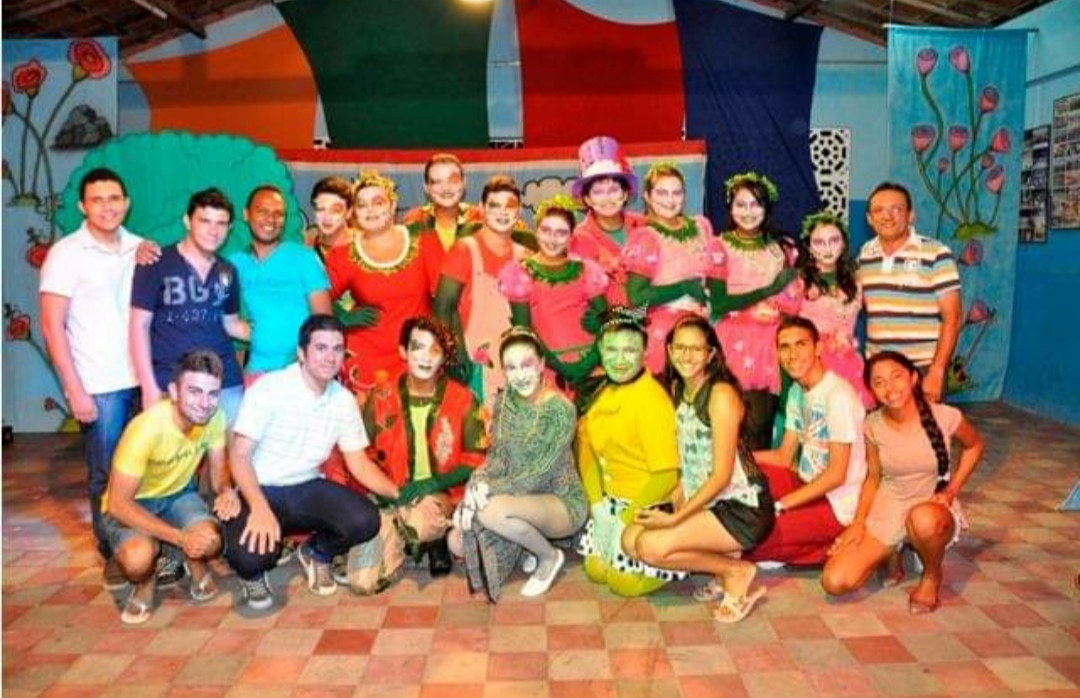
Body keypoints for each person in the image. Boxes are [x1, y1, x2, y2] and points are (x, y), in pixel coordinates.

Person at [221, 314, 400, 610]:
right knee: (250, 557)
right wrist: (259, 507)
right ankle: (253, 574)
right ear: (302, 353)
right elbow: (239, 457)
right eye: (321, 348)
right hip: (260, 488)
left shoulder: (343, 400)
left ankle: (318, 552)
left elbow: (359, 463)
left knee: (365, 520)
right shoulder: (269, 389)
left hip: (308, 487)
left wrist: (398, 493)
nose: (330, 357)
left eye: (337, 349)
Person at [622, 315, 774, 622]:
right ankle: (722, 569)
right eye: (680, 348)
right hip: (708, 502)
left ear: (711, 354)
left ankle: (735, 572)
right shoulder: (678, 387)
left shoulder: (720, 395)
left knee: (650, 546)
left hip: (741, 508)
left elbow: (721, 476)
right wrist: (674, 500)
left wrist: (676, 518)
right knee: (629, 540)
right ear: (669, 350)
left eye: (696, 349)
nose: (686, 356)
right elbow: (691, 460)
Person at [39, 167, 143, 590]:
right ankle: (113, 550)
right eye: (97, 200)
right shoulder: (65, 254)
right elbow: (51, 326)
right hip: (98, 386)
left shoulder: (139, 248)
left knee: (143, 469)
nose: (107, 207)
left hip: (142, 380)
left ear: (126, 203)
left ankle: (144, 543)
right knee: (106, 474)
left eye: (114, 198)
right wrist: (74, 389)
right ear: (83, 206)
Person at [822, 351, 984, 614]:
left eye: (896, 377)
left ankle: (931, 575)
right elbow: (873, 477)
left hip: (932, 505)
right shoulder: (872, 425)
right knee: (835, 581)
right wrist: (858, 523)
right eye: (879, 382)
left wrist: (952, 489)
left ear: (913, 378)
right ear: (872, 391)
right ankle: (891, 551)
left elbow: (975, 446)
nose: (889, 388)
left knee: (923, 520)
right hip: (890, 506)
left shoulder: (945, 415)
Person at [343, 316, 485, 585]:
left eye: (435, 349)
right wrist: (386, 493)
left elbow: (476, 460)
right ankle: (405, 539)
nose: (426, 357)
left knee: (419, 524)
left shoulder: (463, 399)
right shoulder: (381, 397)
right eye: (418, 347)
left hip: (442, 494)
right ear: (403, 351)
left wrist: (431, 484)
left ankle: (428, 535)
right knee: (362, 583)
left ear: (444, 357)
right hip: (392, 495)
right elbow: (364, 455)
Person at [450, 327, 586, 601]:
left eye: (527, 364)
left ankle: (548, 556)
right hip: (516, 498)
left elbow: (539, 473)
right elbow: (497, 456)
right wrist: (475, 484)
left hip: (559, 501)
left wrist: (489, 492)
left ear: (542, 364)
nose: (520, 375)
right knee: (456, 541)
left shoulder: (561, 409)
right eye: (511, 368)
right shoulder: (504, 402)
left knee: (490, 511)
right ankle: (525, 546)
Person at [101, 350, 237, 624]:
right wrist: (180, 537)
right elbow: (118, 504)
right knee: (138, 559)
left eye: (212, 394)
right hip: (133, 504)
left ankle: (193, 560)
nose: (205, 403)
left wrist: (226, 491)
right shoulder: (146, 428)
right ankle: (146, 581)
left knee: (211, 541)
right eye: (194, 392)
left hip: (178, 496)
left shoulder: (215, 417)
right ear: (174, 391)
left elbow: (219, 470)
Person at [576, 306, 685, 596]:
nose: (619, 360)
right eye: (611, 349)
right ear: (600, 349)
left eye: (630, 350)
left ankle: (676, 562)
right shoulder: (601, 391)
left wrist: (625, 520)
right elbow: (587, 453)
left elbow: (666, 475)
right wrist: (599, 509)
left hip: (647, 506)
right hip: (611, 504)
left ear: (645, 352)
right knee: (596, 570)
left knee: (622, 583)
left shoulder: (651, 401)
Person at [744, 317, 867, 566]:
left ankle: (829, 545)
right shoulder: (796, 391)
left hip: (836, 503)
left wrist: (782, 504)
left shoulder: (838, 396)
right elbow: (783, 457)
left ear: (818, 348)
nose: (792, 354)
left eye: (801, 344)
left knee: (747, 541)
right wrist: (734, 455)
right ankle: (803, 541)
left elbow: (836, 475)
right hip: (805, 483)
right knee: (741, 477)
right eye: (784, 347)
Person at [129, 187, 248, 426]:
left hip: (224, 380)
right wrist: (148, 387)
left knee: (229, 447)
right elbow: (138, 326)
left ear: (230, 228)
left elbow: (231, 324)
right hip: (171, 381)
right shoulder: (155, 262)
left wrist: (281, 337)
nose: (213, 231)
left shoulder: (227, 271)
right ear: (187, 221)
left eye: (221, 223)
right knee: (174, 450)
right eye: (205, 221)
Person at [324, 171, 445, 395]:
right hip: (367, 361)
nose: (370, 210)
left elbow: (446, 299)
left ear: (392, 205)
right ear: (353, 213)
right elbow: (316, 298)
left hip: (418, 356)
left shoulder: (423, 240)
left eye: (378, 202)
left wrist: (446, 346)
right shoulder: (343, 255)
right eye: (362, 205)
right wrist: (342, 316)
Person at [710, 172, 800, 450]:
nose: (748, 212)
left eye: (755, 205)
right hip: (732, 344)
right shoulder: (718, 246)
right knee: (729, 425)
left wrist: (779, 313)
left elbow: (793, 304)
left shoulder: (782, 249)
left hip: (770, 348)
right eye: (740, 204)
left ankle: (756, 476)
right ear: (730, 207)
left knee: (761, 425)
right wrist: (767, 290)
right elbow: (719, 303)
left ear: (767, 208)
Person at [857, 181, 961, 403]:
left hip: (921, 369)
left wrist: (937, 370)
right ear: (869, 219)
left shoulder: (936, 253)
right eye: (879, 210)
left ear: (910, 215)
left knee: (925, 426)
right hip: (879, 369)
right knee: (881, 426)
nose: (887, 216)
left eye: (896, 209)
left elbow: (952, 318)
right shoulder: (865, 255)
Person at [434, 175, 529, 405]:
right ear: (482, 208)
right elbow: (442, 307)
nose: (502, 212)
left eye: (510, 206)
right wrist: (454, 355)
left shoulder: (525, 256)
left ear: (519, 211)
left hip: (514, 364)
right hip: (472, 362)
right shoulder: (464, 250)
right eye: (494, 205)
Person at [499, 194, 608, 384]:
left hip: (592, 369)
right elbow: (525, 333)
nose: (552, 239)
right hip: (548, 369)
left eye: (561, 232)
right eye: (546, 230)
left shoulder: (587, 271)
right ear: (536, 231)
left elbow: (609, 323)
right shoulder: (519, 274)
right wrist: (562, 368)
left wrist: (589, 362)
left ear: (571, 237)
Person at [623, 163, 722, 374]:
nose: (670, 200)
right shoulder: (645, 238)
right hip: (667, 334)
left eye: (676, 193)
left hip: (704, 328)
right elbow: (636, 297)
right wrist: (684, 288)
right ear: (647, 196)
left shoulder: (701, 227)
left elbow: (715, 273)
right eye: (662, 193)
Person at [229, 185, 331, 383]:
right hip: (256, 374)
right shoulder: (235, 263)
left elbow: (325, 324)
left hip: (301, 374)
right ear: (246, 214)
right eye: (262, 211)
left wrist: (304, 366)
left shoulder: (305, 258)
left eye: (278, 214)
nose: (271, 219)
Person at [794, 211, 873, 408]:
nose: (828, 248)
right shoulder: (798, 282)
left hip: (848, 363)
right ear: (808, 246)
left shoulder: (857, 280)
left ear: (843, 244)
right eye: (819, 242)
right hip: (812, 364)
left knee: (849, 418)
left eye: (834, 240)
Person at [568, 135, 647, 305]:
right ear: (587, 199)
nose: (607, 198)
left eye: (613, 189)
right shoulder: (578, 239)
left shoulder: (645, 226)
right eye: (598, 192)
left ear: (625, 194)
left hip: (654, 310)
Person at [402, 153, 483, 252]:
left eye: (453, 180)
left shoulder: (480, 218)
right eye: (437, 182)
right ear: (426, 188)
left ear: (464, 183)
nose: (446, 188)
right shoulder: (414, 220)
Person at [305, 176, 354, 259]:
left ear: (349, 212)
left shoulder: (365, 248)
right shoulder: (305, 248)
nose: (327, 217)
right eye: (321, 209)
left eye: (335, 210)